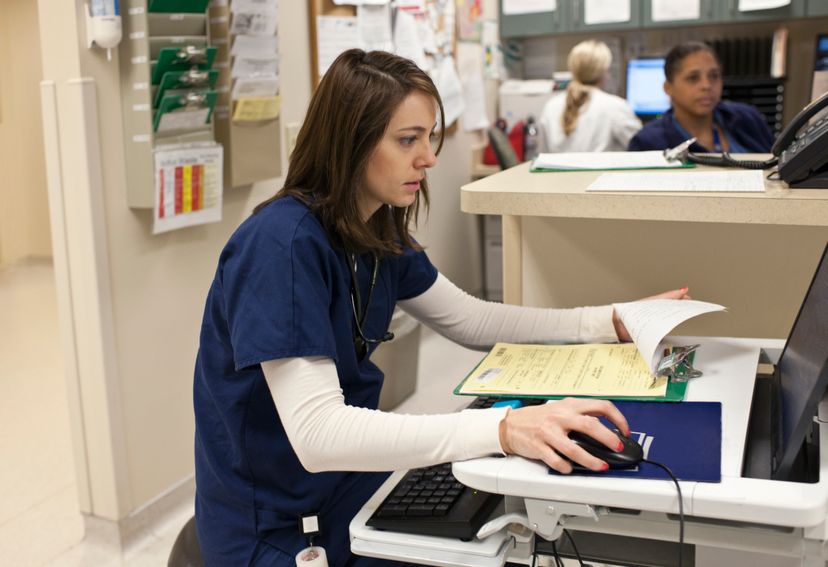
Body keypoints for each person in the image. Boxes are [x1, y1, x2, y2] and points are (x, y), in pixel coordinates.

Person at [193, 48, 689, 566]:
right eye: (408, 140)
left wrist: (606, 321)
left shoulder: (373, 229)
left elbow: (473, 319)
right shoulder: (281, 246)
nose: (428, 158)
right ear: (350, 141)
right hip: (277, 526)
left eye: (429, 137)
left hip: (344, 487)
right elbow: (319, 433)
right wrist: (500, 430)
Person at [628, 41, 775, 153]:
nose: (706, 85)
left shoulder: (748, 118)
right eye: (693, 78)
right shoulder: (647, 142)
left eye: (714, 76)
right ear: (668, 88)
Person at [539, 40, 642, 152]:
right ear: (604, 72)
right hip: (604, 169)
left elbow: (542, 157)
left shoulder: (551, 106)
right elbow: (643, 148)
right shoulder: (615, 107)